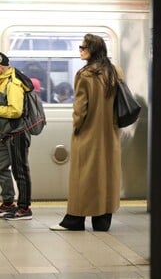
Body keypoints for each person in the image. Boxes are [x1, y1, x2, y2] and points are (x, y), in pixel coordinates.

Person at [50, 33, 123, 231]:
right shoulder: (115, 71)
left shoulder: (85, 75)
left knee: (82, 176)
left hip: (89, 132)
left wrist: (77, 127)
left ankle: (74, 219)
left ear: (93, 49)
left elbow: (80, 107)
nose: (80, 50)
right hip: (111, 132)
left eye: (84, 47)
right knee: (107, 175)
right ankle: (102, 221)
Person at [0, 52, 34, 220]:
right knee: (1, 168)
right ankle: (8, 202)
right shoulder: (2, 81)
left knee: (20, 170)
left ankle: (24, 208)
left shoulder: (13, 83)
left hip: (17, 133)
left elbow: (15, 110)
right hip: (5, 134)